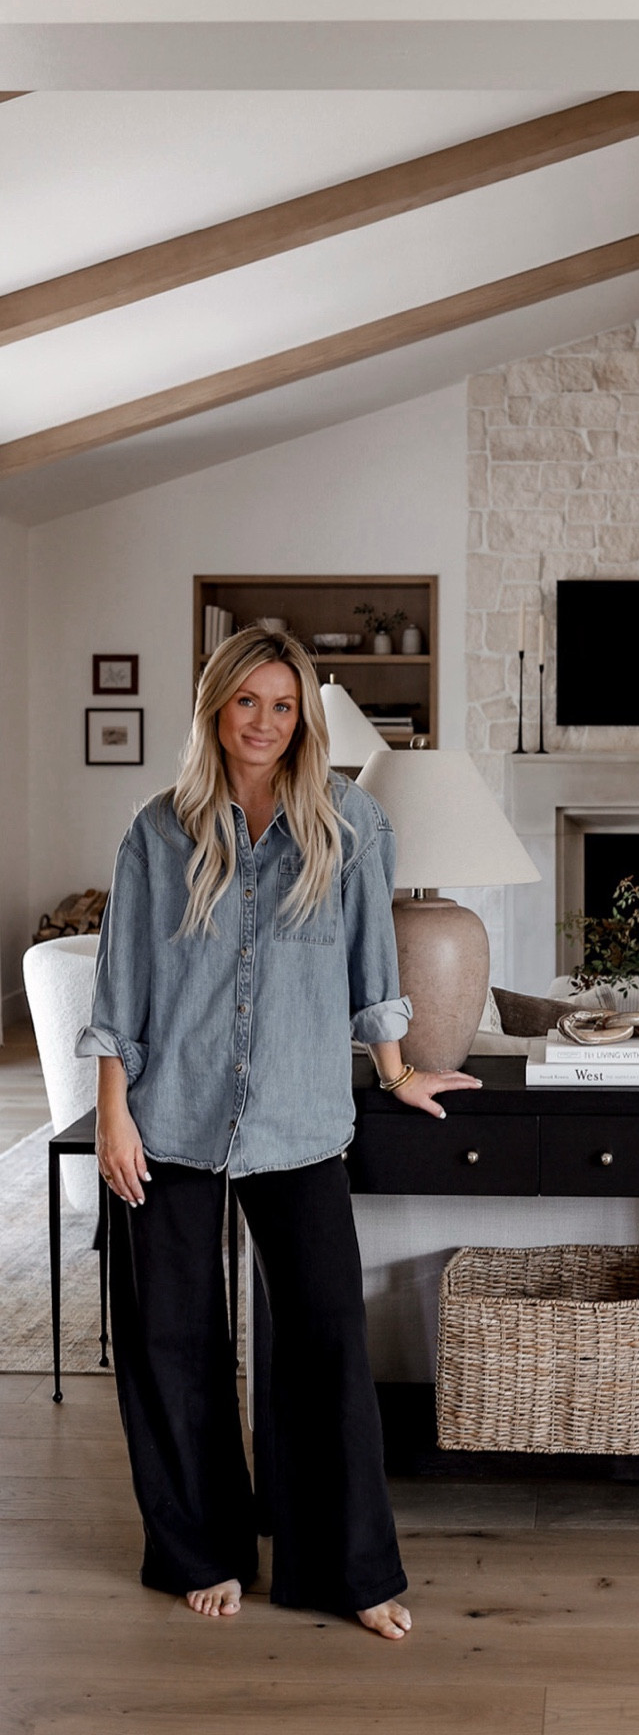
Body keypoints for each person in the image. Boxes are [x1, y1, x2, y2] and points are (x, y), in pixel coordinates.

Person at [76, 627, 480, 1637]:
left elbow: (369, 972)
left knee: (324, 1341)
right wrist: (113, 1116)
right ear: (216, 707)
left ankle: (346, 1570)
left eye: (283, 705)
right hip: (167, 1119)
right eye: (246, 702)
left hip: (302, 1122)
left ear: (304, 718)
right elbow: (121, 986)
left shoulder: (351, 824)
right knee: (171, 1341)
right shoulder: (156, 831)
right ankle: (197, 1549)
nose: (263, 722)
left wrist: (397, 1070)